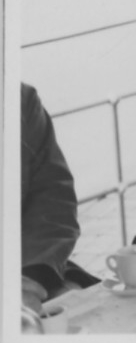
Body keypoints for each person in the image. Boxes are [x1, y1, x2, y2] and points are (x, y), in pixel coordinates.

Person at [21, 83, 98, 313]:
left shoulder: (19, 99)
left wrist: (31, 280)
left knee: (81, 307)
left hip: (27, 271)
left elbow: (53, 199)